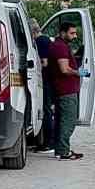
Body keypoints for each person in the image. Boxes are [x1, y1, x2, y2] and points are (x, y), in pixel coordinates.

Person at [47, 20, 84, 160]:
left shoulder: (59, 45)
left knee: (61, 120)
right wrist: (78, 73)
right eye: (72, 33)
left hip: (62, 89)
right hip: (66, 91)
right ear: (63, 33)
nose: (74, 36)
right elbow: (64, 69)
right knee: (68, 120)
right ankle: (63, 151)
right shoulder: (60, 47)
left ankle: (60, 149)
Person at [32, 22, 57, 153]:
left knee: (46, 111)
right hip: (51, 79)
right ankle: (49, 141)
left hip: (46, 80)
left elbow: (44, 62)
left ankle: (48, 143)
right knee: (48, 110)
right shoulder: (47, 39)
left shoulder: (40, 41)